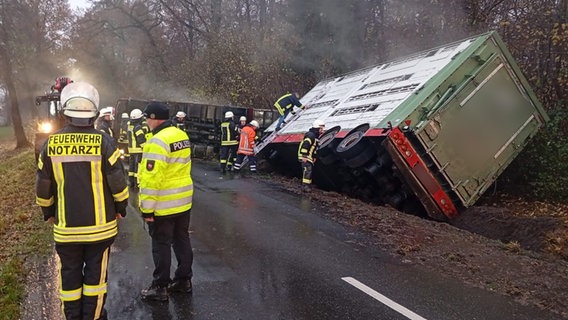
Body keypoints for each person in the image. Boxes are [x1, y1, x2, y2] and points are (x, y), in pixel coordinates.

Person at [35, 82, 128, 320]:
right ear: (94, 114)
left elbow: (43, 187)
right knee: (95, 282)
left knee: (70, 280)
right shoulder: (105, 143)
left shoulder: (50, 145)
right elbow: (118, 183)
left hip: (67, 230)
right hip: (100, 230)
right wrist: (121, 208)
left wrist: (48, 212)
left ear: (66, 113)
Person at [138, 102, 194, 302]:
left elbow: (152, 179)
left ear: (154, 118)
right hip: (183, 201)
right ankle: (184, 280)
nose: (146, 121)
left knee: (161, 244)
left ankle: (160, 287)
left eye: (147, 118)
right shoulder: (181, 135)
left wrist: (147, 209)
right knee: (182, 240)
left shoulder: (157, 141)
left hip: (163, 204)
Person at [298, 119, 325, 192]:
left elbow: (314, 148)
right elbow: (305, 145)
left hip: (308, 157)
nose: (323, 130)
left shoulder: (314, 137)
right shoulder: (311, 135)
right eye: (321, 128)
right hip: (305, 157)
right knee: (307, 171)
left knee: (308, 171)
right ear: (317, 128)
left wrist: (314, 156)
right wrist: (304, 156)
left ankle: (307, 185)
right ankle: (305, 186)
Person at [127, 108, 148, 188]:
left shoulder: (130, 125)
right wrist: (146, 148)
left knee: (131, 167)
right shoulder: (138, 127)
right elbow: (141, 139)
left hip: (131, 149)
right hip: (138, 150)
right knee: (138, 167)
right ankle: (137, 183)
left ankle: (131, 182)